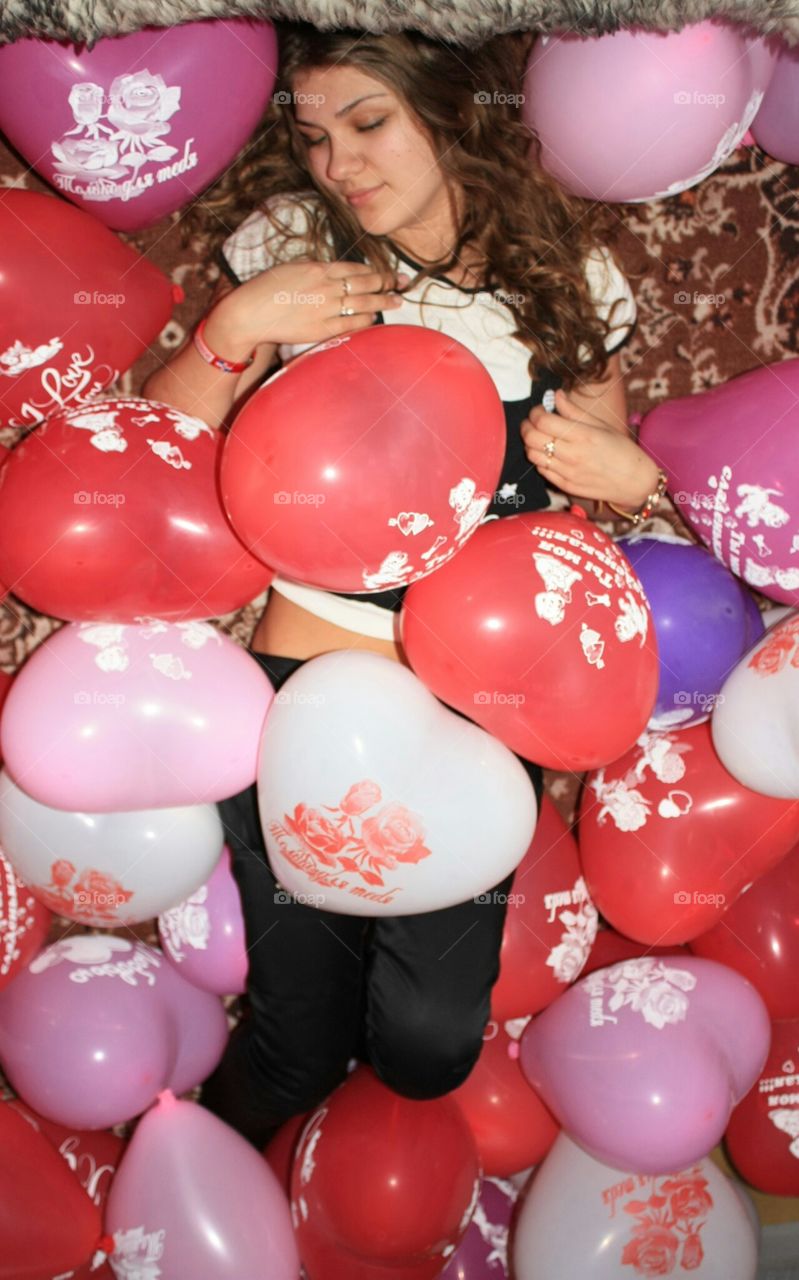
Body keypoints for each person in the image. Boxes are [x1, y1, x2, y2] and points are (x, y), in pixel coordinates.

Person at [143, 23, 665, 1147]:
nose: (339, 164)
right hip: (312, 686)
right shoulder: (293, 241)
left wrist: (635, 478)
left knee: (428, 1048)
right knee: (294, 1040)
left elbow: (594, 499)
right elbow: (154, 458)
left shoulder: (567, 276)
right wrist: (235, 327)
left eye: (369, 124)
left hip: (480, 711)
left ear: (457, 116)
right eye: (315, 134)